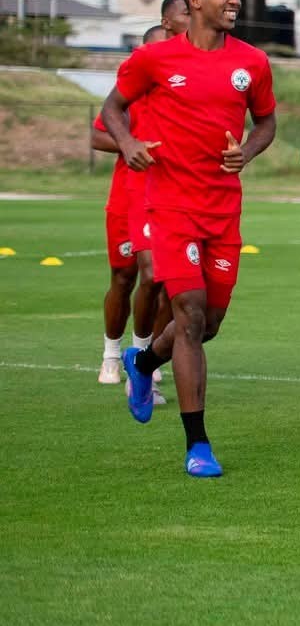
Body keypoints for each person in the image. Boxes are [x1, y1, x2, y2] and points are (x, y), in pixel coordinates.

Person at [101, 0, 278, 478]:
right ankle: (197, 444)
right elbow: (113, 108)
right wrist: (130, 143)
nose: (235, 0)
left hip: (223, 206)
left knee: (210, 322)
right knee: (191, 314)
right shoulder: (153, 59)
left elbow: (266, 121)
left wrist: (245, 151)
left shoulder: (253, 63)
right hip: (170, 204)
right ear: (194, 1)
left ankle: (143, 362)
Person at [91, 24, 177, 387]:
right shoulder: (130, 92)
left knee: (161, 279)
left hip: (171, 198)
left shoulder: (181, 93)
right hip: (128, 197)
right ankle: (112, 353)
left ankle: (145, 358)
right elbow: (97, 134)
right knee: (124, 277)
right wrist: (130, 144)